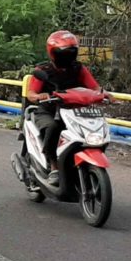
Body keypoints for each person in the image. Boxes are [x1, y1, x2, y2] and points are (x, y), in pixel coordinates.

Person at [26, 30, 105, 186]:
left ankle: (80, 159)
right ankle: (53, 165)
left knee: (90, 129)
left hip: (74, 110)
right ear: (53, 53)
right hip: (49, 110)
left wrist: (105, 95)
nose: (67, 57)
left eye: (71, 52)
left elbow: (95, 87)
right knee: (53, 127)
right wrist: (39, 96)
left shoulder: (79, 68)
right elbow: (31, 93)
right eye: (63, 53)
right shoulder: (43, 70)